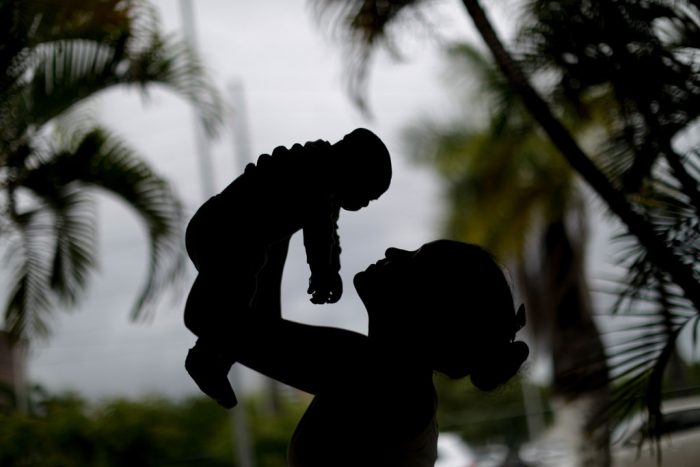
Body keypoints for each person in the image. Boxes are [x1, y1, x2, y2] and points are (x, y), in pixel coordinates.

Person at [232, 239, 529, 466]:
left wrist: (284, 216)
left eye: (415, 260)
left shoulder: (379, 376)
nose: (393, 251)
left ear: (430, 308)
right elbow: (255, 329)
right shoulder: (400, 384)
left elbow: (227, 327)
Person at [184, 128, 392, 408]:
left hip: (243, 240)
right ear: (354, 167)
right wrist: (323, 271)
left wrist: (330, 267)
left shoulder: (325, 180)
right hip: (221, 232)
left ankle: (218, 354)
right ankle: (206, 356)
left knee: (254, 303)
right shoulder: (318, 173)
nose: (365, 203)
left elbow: (328, 227)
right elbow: (319, 229)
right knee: (240, 296)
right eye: (368, 193)